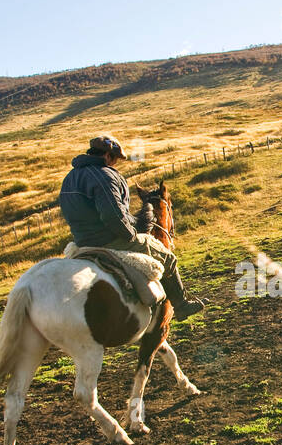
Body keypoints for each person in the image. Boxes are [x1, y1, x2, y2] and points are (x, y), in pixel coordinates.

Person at [59, 134, 207, 320]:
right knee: (168, 257)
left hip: (82, 241)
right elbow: (113, 215)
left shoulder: (70, 178)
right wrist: (131, 234)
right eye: (114, 159)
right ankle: (182, 304)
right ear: (107, 155)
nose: (114, 164)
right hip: (109, 240)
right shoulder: (105, 176)